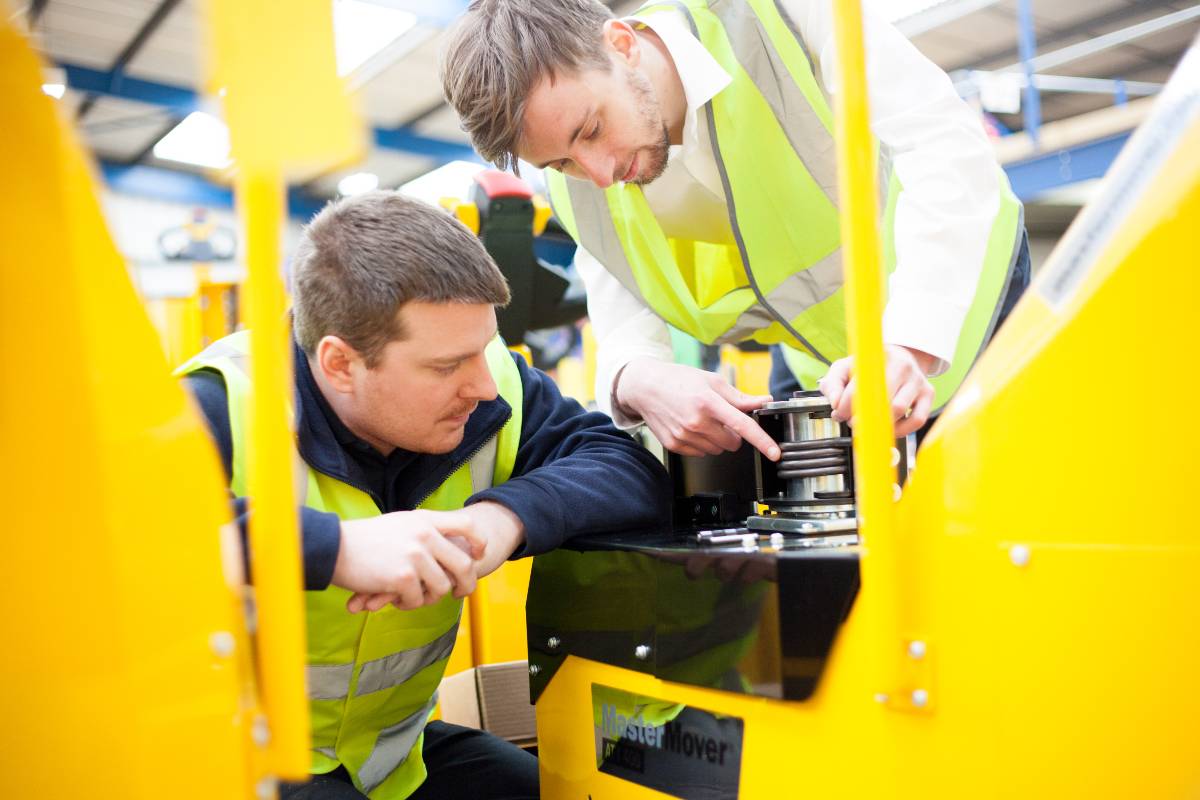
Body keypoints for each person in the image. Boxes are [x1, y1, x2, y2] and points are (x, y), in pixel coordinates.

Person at [179, 190, 671, 800]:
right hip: (234, 770)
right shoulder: (216, 406)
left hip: (392, 763)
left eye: (483, 349)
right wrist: (334, 549)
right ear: (339, 364)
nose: (485, 386)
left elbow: (626, 465)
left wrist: (502, 518)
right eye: (448, 366)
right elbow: (103, 540)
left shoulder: (499, 389)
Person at [440, 0, 1031, 457]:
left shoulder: (779, 16)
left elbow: (944, 145)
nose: (596, 175)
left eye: (591, 130)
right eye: (561, 163)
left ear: (621, 44)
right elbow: (618, 295)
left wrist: (908, 341)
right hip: (828, 374)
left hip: (977, 313)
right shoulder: (576, 179)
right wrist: (637, 378)